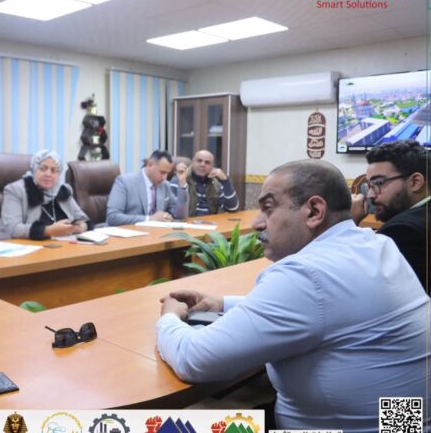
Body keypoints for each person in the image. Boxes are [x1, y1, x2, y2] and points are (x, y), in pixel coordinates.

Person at [156, 159, 430, 431]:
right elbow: (328, 309)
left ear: (314, 211)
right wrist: (222, 303)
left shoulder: (307, 274)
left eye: (268, 208)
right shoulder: (377, 245)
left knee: (148, 427)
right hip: (404, 424)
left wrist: (169, 317)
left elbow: (194, 360)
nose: (257, 223)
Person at [351, 139, 429, 292]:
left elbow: (356, 284)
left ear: (415, 182)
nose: (370, 195)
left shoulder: (403, 230)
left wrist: (346, 222)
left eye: (379, 183)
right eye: (369, 186)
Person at [0, 149, 91, 240]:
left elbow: (82, 219)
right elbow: (11, 229)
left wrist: (82, 227)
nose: (48, 174)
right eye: (43, 169)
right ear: (34, 169)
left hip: (60, 246)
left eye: (53, 170)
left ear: (59, 174)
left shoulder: (63, 191)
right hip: (22, 247)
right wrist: (48, 231)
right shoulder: (15, 190)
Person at [106, 150, 188, 226]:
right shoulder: (124, 182)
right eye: (162, 172)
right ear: (149, 165)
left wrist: (182, 183)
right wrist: (149, 219)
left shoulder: (165, 185)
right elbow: (113, 217)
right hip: (126, 233)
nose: (165, 177)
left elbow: (180, 215)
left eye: (167, 173)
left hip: (155, 233)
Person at [170, 149, 239, 215]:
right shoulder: (180, 179)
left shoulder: (215, 183)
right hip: (187, 222)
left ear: (212, 166)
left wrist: (225, 181)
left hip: (210, 222)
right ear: (193, 162)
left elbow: (233, 208)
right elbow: (173, 211)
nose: (202, 164)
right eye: (199, 161)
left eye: (207, 162)